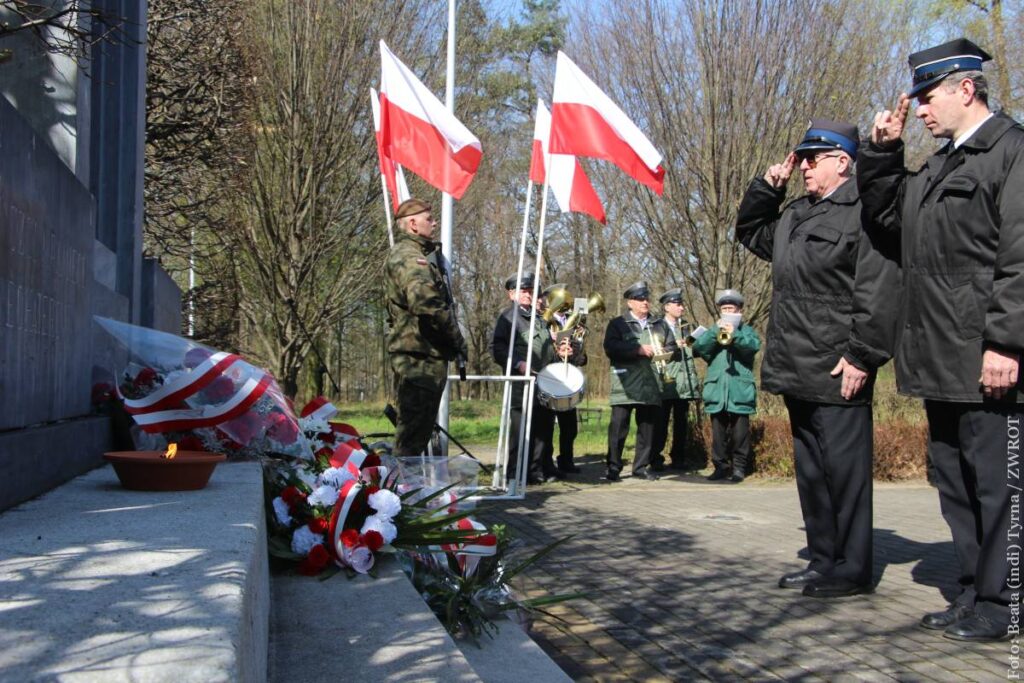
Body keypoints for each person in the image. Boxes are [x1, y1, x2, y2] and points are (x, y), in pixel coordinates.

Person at [860, 38, 1024, 641]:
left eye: (928, 97)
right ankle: (972, 592)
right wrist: (881, 153)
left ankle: (1005, 603)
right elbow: (885, 220)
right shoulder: (939, 164)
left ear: (965, 88)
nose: (921, 109)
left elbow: (1021, 257)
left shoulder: (1012, 152)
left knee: (999, 485)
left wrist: (1007, 342)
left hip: (988, 355)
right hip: (939, 354)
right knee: (955, 483)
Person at [736, 120, 900, 599]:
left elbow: (877, 289)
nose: (804, 165)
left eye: (814, 158)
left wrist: (862, 355)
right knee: (812, 472)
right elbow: (750, 231)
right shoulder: (794, 215)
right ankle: (824, 559)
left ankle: (852, 569)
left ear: (843, 162)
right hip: (796, 363)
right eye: (802, 158)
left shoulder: (863, 211)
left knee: (845, 474)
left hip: (838, 365)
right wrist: (767, 189)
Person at [384, 198, 467, 457]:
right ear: (412, 224)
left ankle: (406, 490)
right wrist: (456, 339)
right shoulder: (409, 256)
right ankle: (402, 493)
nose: (434, 222)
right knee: (411, 439)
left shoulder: (420, 255)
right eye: (429, 218)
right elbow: (425, 303)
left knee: (416, 435)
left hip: (423, 354)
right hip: (418, 356)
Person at [490, 274, 576, 484]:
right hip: (521, 384)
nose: (528, 295)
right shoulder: (508, 318)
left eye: (530, 291)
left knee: (543, 429)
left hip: (544, 383)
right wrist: (518, 363)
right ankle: (515, 473)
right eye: (523, 291)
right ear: (512, 294)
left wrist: (562, 352)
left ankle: (535, 471)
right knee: (520, 431)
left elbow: (547, 350)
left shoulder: (540, 319)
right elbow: (497, 347)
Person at [603, 281, 674, 482]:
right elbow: (610, 348)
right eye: (640, 299)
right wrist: (637, 350)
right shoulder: (618, 323)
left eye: (646, 299)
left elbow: (671, 346)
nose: (645, 302)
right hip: (625, 384)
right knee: (618, 428)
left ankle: (641, 467)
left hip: (651, 383)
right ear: (630, 302)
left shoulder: (659, 324)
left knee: (647, 429)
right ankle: (613, 467)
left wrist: (666, 352)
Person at [690, 290, 760, 484]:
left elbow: (753, 347)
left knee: (740, 434)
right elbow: (698, 349)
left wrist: (735, 334)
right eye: (724, 309)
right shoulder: (714, 330)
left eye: (731, 308)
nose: (727, 311)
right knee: (718, 433)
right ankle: (720, 466)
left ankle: (739, 468)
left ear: (739, 310)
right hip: (717, 389)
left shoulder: (747, 331)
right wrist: (715, 332)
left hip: (739, 390)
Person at [539, 283, 588, 475]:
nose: (564, 300)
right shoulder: (544, 321)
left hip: (568, 379)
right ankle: (547, 464)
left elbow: (582, 353)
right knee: (547, 426)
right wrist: (556, 350)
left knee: (570, 427)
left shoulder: (573, 322)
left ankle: (566, 460)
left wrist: (575, 352)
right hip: (550, 377)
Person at [652, 289, 701, 471]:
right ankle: (656, 458)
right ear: (667, 307)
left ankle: (678, 458)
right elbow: (656, 351)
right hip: (666, 380)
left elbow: (694, 351)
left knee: (681, 424)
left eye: (682, 304)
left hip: (684, 381)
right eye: (678, 304)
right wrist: (674, 346)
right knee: (661, 423)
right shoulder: (657, 326)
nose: (682, 307)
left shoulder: (686, 326)